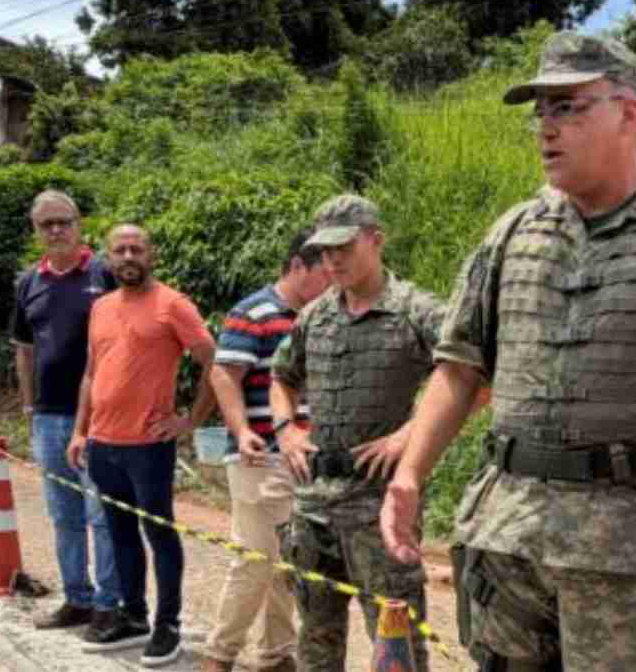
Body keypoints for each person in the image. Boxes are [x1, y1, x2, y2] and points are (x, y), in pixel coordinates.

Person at [381, 33, 636, 672]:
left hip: (622, 553)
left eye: (568, 107)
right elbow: (459, 369)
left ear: (626, 113)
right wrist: (410, 474)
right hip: (505, 540)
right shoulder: (512, 233)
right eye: (540, 112)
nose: (547, 128)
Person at [268, 195, 445, 672]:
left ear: (376, 240)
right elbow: (281, 376)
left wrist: (410, 433)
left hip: (379, 506)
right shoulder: (315, 316)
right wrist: (286, 429)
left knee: (396, 642)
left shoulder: (416, 311)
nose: (332, 260)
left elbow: (472, 378)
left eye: (344, 247)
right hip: (313, 504)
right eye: (324, 251)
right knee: (316, 639)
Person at [67, 224, 217, 666]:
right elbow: (92, 374)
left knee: (159, 533)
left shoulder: (173, 305)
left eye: (136, 249)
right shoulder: (100, 307)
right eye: (120, 249)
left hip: (149, 446)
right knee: (119, 533)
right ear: (108, 258)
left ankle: (168, 624)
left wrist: (190, 420)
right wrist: (80, 431)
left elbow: (215, 361)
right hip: (103, 442)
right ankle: (133, 616)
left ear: (150, 255)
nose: (128, 256)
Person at [198, 227, 331, 672]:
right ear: (297, 267)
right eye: (324, 272)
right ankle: (218, 656)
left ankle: (276, 654)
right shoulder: (254, 312)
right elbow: (223, 375)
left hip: (306, 459)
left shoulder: (323, 314)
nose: (332, 281)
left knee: (288, 562)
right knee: (255, 560)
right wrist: (240, 431)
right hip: (261, 456)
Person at [9, 190, 121, 632]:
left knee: (103, 514)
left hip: (101, 418)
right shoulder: (27, 283)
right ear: (35, 231)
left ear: (79, 224)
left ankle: (109, 604)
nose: (56, 230)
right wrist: (27, 404)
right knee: (64, 515)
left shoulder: (105, 274)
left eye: (64, 221)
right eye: (46, 224)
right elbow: (24, 349)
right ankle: (77, 599)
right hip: (49, 418)